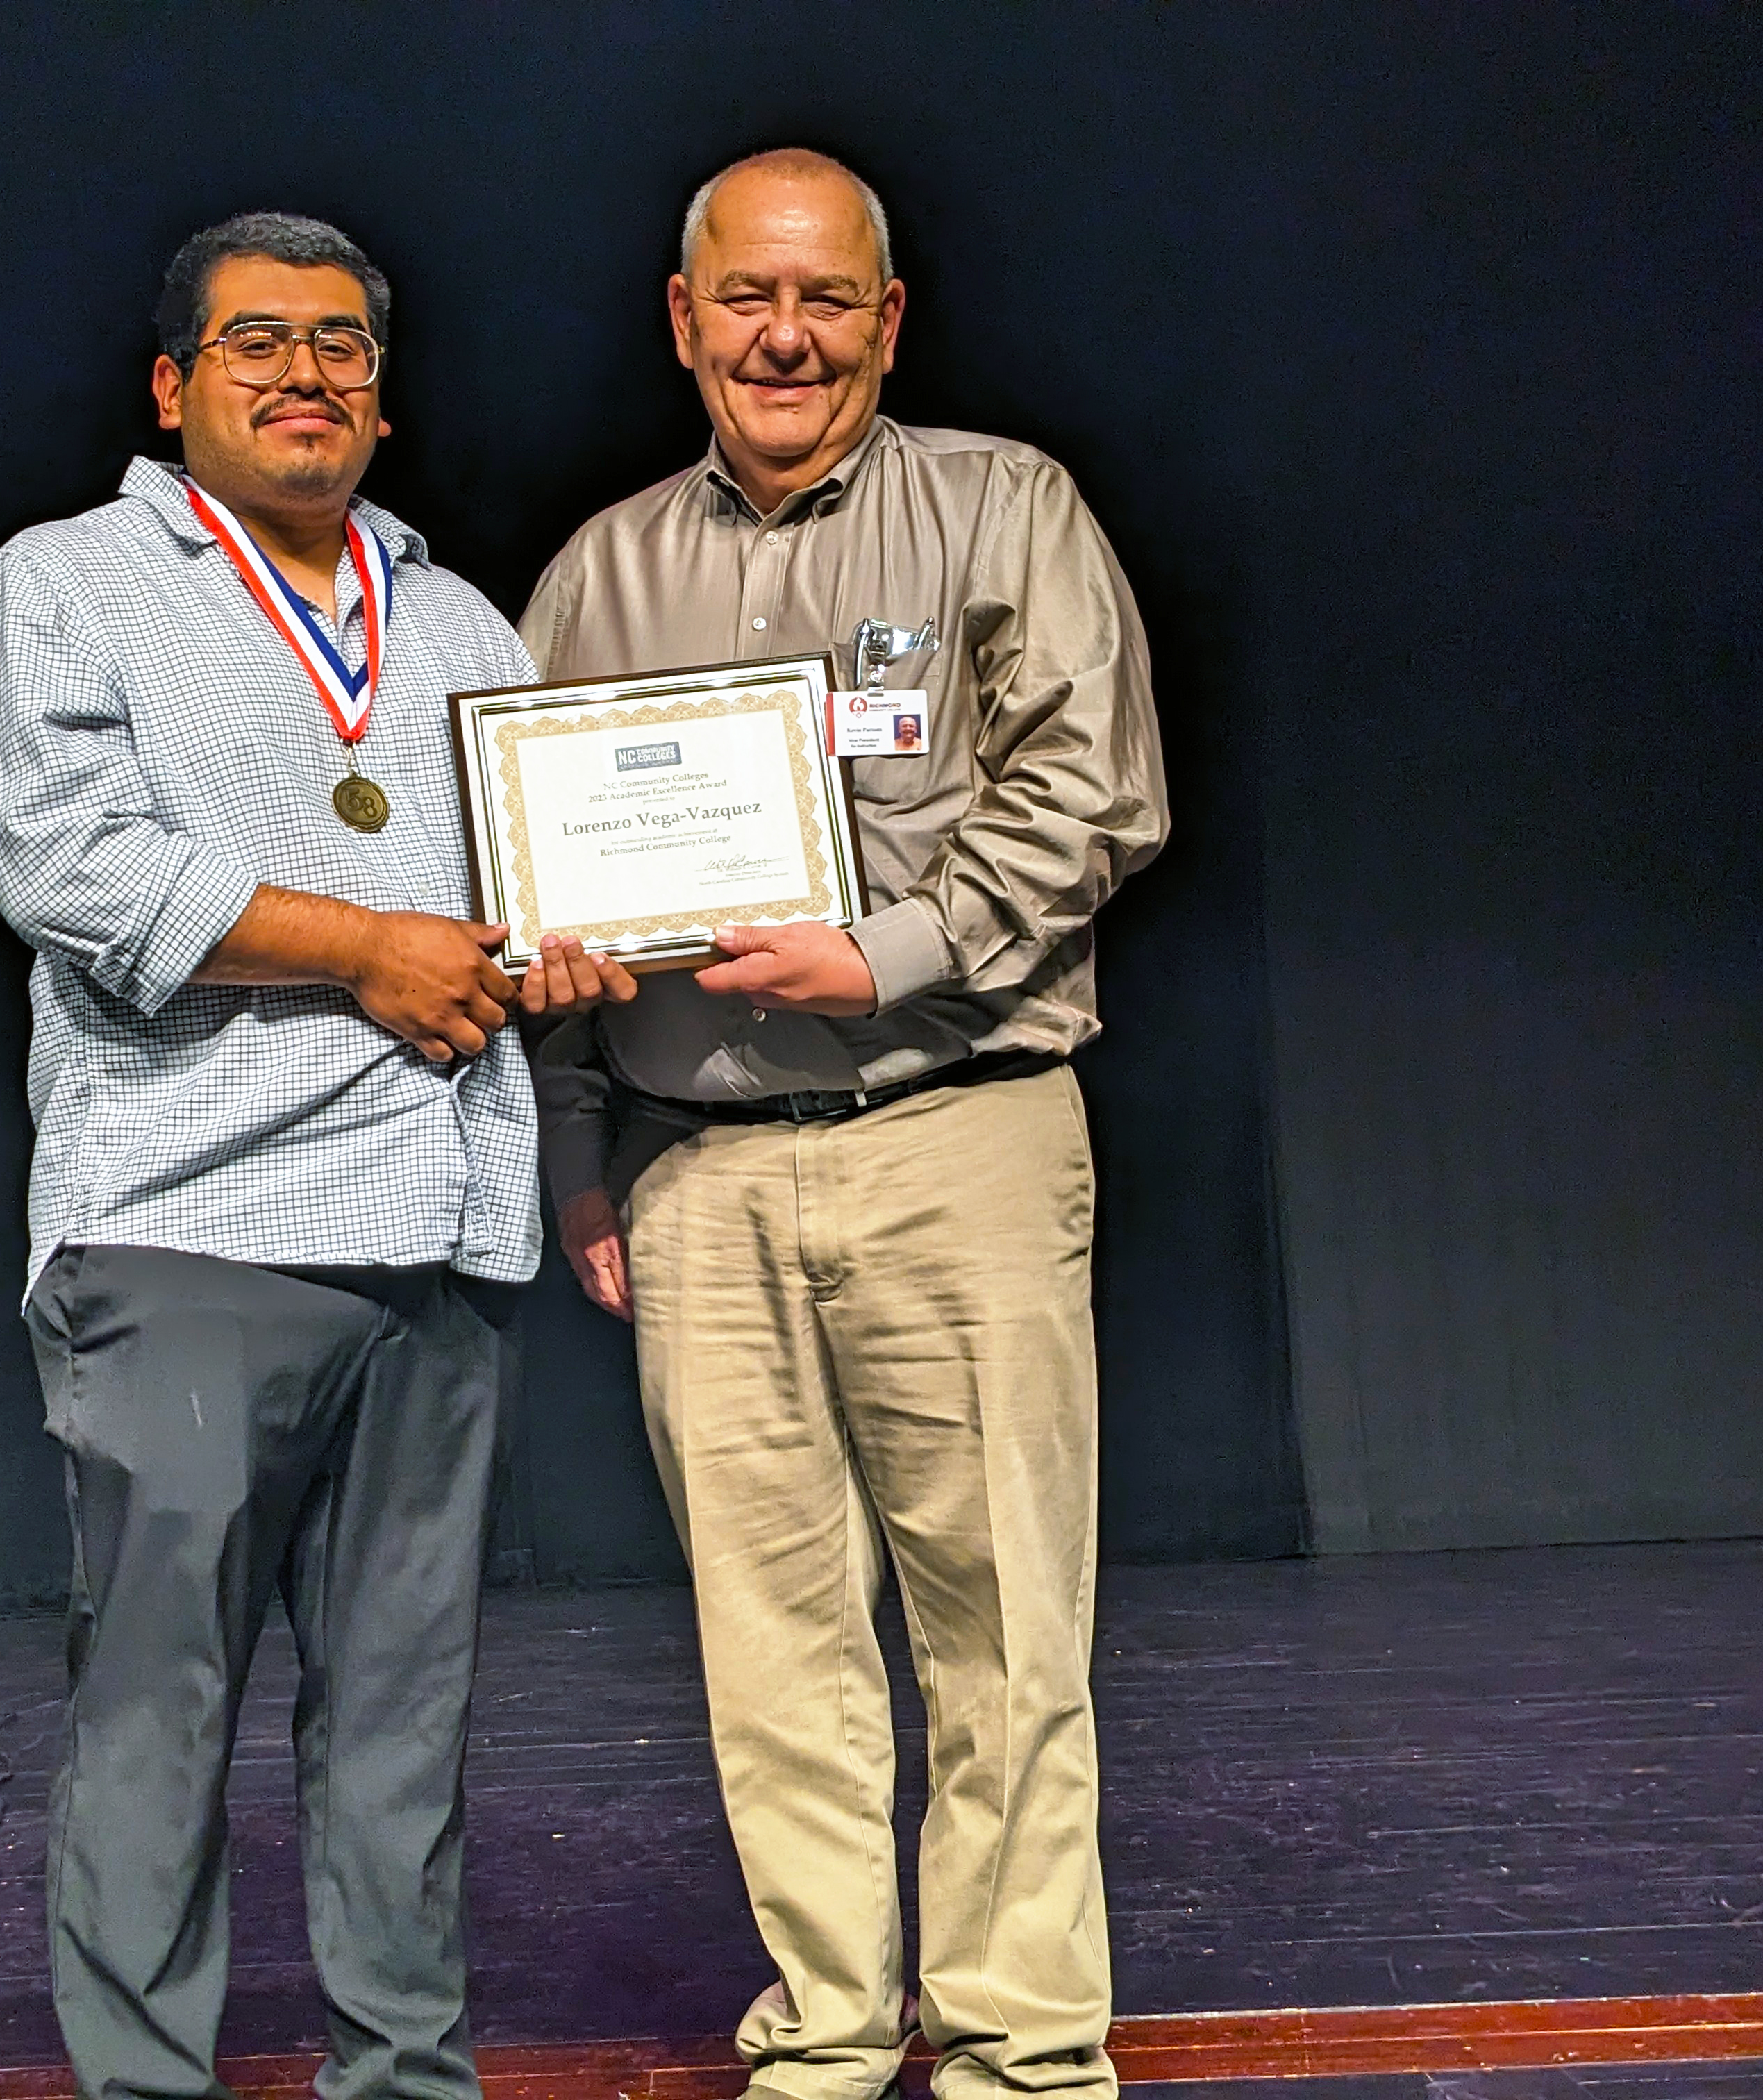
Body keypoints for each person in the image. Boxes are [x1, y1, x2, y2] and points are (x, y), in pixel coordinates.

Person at [0, 210, 629, 2100]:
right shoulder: (67, 584)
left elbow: (531, 897)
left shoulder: (460, 619)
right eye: (257, 342)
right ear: (172, 387)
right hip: (186, 1231)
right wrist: (371, 946)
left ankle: (406, 2082)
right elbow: (72, 868)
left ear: (384, 399)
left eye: (341, 345)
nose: (305, 373)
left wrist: (558, 947)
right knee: (160, 1714)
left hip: (438, 1233)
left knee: (405, 1727)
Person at [519, 150, 1167, 2100]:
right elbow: (531, 895)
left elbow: (1093, 793)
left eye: (824, 299)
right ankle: (821, 2035)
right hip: (697, 1172)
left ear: (888, 321)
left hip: (952, 1127)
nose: (782, 335)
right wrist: (575, 1161)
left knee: (1001, 1633)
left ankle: (1024, 2050)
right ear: (684, 316)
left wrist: (884, 952)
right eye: (745, 298)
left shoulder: (1006, 507)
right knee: (770, 1648)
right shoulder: (597, 572)